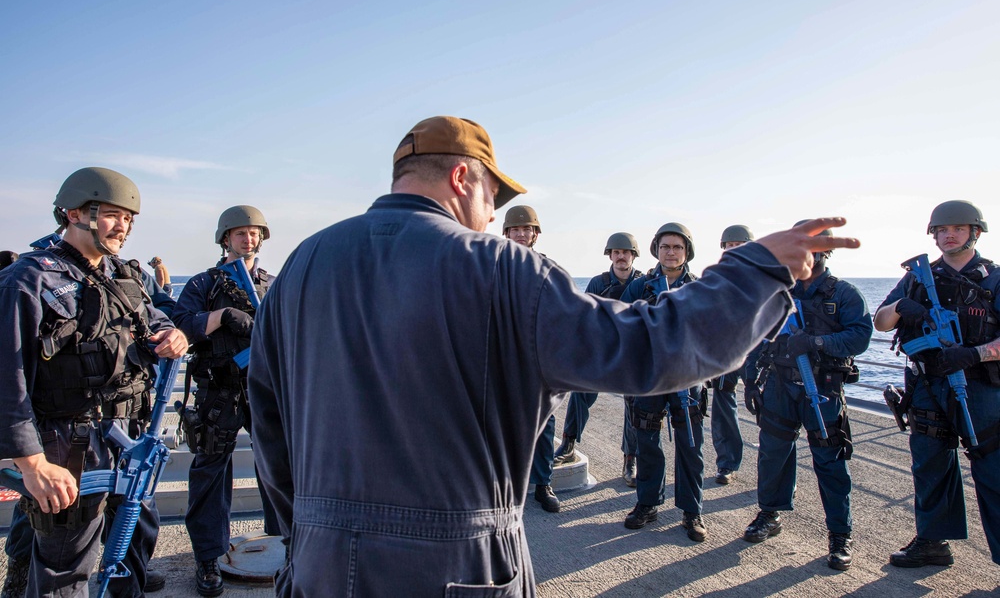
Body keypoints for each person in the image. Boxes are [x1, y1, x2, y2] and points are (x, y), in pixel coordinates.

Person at [247, 115, 858, 597]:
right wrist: (756, 269)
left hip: (320, 562)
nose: (491, 217)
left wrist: (306, 530)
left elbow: (269, 421)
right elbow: (645, 347)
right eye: (493, 197)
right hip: (456, 565)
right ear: (464, 178)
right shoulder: (501, 269)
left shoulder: (301, 264)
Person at [0, 167, 188, 597]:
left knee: (131, 548)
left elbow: (153, 318)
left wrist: (172, 334)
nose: (122, 226)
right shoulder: (30, 279)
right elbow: (7, 382)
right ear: (73, 213)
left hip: (129, 441)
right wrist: (33, 465)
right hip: (69, 445)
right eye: (111, 215)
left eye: (129, 218)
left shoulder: (126, 276)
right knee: (66, 570)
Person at [874, 200, 1000, 568]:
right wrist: (903, 308)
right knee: (930, 465)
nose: (948, 235)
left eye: (958, 229)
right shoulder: (916, 277)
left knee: (992, 470)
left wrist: (975, 354)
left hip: (979, 386)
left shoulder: (994, 280)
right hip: (927, 383)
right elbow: (881, 322)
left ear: (975, 232)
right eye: (942, 230)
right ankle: (932, 541)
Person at [742, 220, 872, 572]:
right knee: (773, 455)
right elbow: (758, 335)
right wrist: (750, 379)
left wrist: (817, 342)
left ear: (826, 252)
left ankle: (839, 536)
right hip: (780, 385)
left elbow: (860, 337)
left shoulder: (843, 294)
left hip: (822, 388)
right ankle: (770, 514)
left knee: (830, 462)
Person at [171, 205, 281, 597]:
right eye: (240, 233)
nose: (248, 239)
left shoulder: (270, 283)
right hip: (219, 390)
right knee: (210, 472)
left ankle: (285, 542)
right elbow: (181, 325)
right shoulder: (205, 283)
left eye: (254, 233)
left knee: (278, 466)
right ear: (225, 239)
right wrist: (221, 317)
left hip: (264, 389)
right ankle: (208, 556)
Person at [619, 223, 709, 542]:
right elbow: (622, 322)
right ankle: (647, 503)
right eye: (665, 246)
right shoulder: (641, 287)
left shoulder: (699, 288)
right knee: (647, 442)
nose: (671, 252)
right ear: (657, 249)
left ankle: (691, 510)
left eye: (678, 247)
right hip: (651, 377)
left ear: (687, 252)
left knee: (690, 446)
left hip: (687, 378)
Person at [554, 232, 644, 488]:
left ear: (633, 255)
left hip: (630, 354)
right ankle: (568, 443)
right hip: (602, 352)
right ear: (610, 255)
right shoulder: (598, 282)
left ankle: (630, 458)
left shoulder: (644, 282)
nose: (621, 256)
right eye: (616, 252)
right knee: (581, 392)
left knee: (635, 406)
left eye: (626, 252)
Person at [501, 204, 560, 514]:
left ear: (536, 234)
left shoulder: (548, 268)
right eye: (515, 229)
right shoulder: (492, 263)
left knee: (543, 423)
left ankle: (542, 483)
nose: (522, 233)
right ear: (506, 233)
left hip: (537, 358)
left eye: (527, 229)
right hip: (501, 355)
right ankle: (506, 485)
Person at [711, 225, 760, 485]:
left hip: (759, 353)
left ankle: (777, 475)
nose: (733, 251)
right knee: (724, 408)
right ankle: (727, 463)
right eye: (728, 247)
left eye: (738, 246)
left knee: (773, 416)